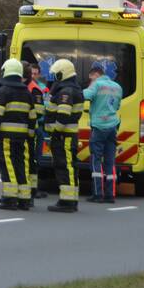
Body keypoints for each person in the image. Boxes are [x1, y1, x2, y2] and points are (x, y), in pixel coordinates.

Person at [0, 59, 36, 211]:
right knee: (20, 166)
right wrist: (29, 135)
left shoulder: (3, 92)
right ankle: (24, 199)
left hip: (6, 137)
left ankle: (10, 198)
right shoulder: (27, 92)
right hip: (22, 139)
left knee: (7, 165)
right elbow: (32, 118)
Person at [46, 59, 85, 213]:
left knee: (65, 166)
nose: (54, 78)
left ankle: (67, 201)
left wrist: (54, 131)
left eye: (56, 75)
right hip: (67, 135)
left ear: (62, 74)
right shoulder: (72, 89)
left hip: (64, 136)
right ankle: (70, 199)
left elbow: (62, 117)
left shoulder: (66, 92)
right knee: (69, 166)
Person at [84, 64, 123, 204]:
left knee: (95, 160)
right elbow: (117, 106)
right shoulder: (117, 87)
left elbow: (85, 96)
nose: (91, 80)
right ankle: (110, 195)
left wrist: (90, 87)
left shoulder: (97, 84)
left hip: (99, 127)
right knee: (110, 161)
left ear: (96, 74)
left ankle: (97, 194)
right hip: (113, 126)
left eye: (91, 78)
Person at [24, 62, 49, 200]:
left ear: (38, 74)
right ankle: (31, 188)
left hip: (39, 126)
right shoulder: (29, 87)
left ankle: (32, 187)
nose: (33, 75)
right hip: (32, 127)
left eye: (35, 73)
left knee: (35, 159)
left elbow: (45, 107)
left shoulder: (43, 89)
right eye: (31, 73)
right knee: (31, 158)